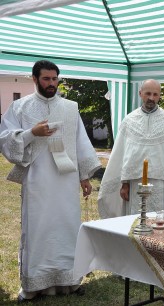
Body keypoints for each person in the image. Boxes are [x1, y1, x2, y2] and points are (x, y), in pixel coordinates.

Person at [0, 60, 101, 302]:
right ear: (34, 79)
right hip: (38, 181)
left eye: (55, 79)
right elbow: (5, 138)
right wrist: (30, 133)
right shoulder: (20, 107)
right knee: (39, 230)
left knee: (67, 229)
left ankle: (69, 282)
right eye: (46, 79)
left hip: (65, 182)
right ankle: (35, 286)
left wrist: (84, 177)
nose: (51, 83)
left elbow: (81, 142)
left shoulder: (70, 107)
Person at [98, 79, 164, 218]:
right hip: (135, 185)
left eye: (155, 94)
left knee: (160, 225)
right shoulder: (129, 121)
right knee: (135, 222)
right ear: (140, 93)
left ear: (159, 95)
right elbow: (121, 154)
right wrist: (125, 184)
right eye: (148, 93)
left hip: (161, 185)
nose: (151, 98)